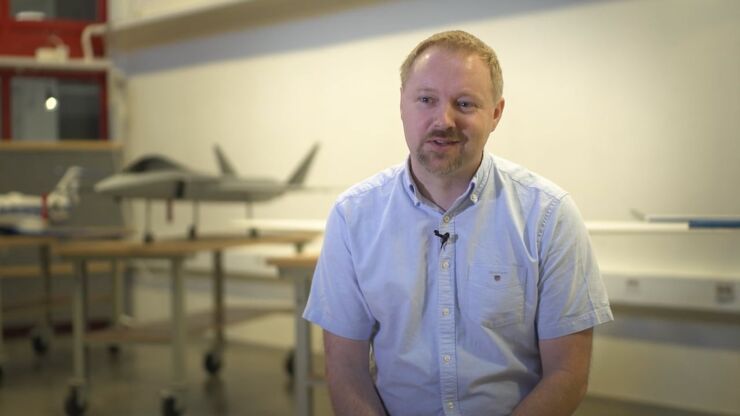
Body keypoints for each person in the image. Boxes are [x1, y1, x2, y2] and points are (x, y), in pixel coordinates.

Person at [303, 30, 613, 416]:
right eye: (426, 100)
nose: (443, 120)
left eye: (465, 103)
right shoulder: (353, 217)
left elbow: (567, 374)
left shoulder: (548, 215)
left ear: (496, 113)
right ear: (402, 104)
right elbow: (345, 371)